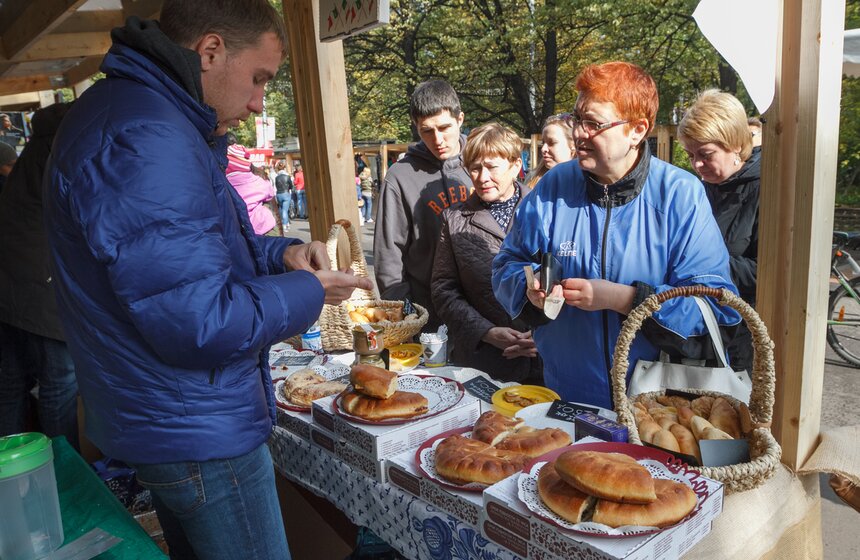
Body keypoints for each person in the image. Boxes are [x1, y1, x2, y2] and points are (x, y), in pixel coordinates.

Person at [42, 2, 373, 558]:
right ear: (211, 50)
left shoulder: (142, 116)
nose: (257, 102)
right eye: (259, 78)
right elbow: (199, 320)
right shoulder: (147, 135)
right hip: (195, 427)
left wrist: (285, 255)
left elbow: (198, 257)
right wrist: (311, 291)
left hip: (171, 418)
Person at [493, 62, 741, 410]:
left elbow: (716, 307)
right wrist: (529, 291)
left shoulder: (679, 195)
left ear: (637, 130)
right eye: (577, 119)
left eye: (594, 123)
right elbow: (507, 264)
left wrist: (626, 299)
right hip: (566, 401)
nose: (579, 133)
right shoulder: (554, 186)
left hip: (655, 413)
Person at [432, 123, 541, 383]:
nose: (481, 177)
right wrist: (488, 332)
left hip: (545, 360)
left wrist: (543, 336)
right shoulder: (454, 218)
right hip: (484, 363)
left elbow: (566, 278)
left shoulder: (545, 210)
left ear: (515, 165)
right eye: (475, 168)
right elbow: (443, 290)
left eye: (491, 167)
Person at [0, 102, 79, 451]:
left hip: (11, 287)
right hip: (41, 287)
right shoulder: (61, 151)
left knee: (11, 382)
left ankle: (11, 463)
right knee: (60, 382)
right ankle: (65, 473)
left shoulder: (37, 147)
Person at [373, 79, 472, 331]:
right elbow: (388, 259)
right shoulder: (400, 177)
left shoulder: (480, 162)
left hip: (484, 313)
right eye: (427, 130)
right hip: (428, 315)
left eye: (444, 127)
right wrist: (408, 317)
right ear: (416, 127)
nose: (437, 139)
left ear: (460, 119)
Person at [677, 90, 760, 372]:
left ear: (735, 144)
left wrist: (704, 268)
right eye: (690, 155)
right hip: (697, 333)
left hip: (742, 340)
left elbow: (770, 272)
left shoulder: (767, 189)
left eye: (706, 154)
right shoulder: (697, 190)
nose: (697, 165)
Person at [226, 142, 277, 235]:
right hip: (264, 226)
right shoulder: (259, 180)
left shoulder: (225, 181)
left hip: (240, 230)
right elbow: (270, 195)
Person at [525, 113, 575, 187]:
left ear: (573, 146)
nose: (543, 149)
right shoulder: (533, 181)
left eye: (552, 143)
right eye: (543, 143)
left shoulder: (586, 184)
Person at [274, 160, 293, 233]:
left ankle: (285, 222)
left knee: (281, 209)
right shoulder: (287, 176)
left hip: (279, 194)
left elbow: (276, 186)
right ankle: (284, 225)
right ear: (284, 168)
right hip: (286, 194)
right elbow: (291, 186)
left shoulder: (277, 177)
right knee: (285, 210)